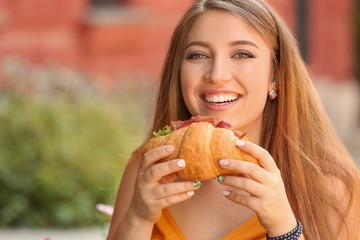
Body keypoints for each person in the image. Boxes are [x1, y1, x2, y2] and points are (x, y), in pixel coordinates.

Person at [107, 0, 360, 239]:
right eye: (198, 55)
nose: (216, 75)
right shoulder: (148, 169)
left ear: (276, 76)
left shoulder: (332, 186)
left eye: (242, 54)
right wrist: (138, 219)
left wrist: (284, 226)